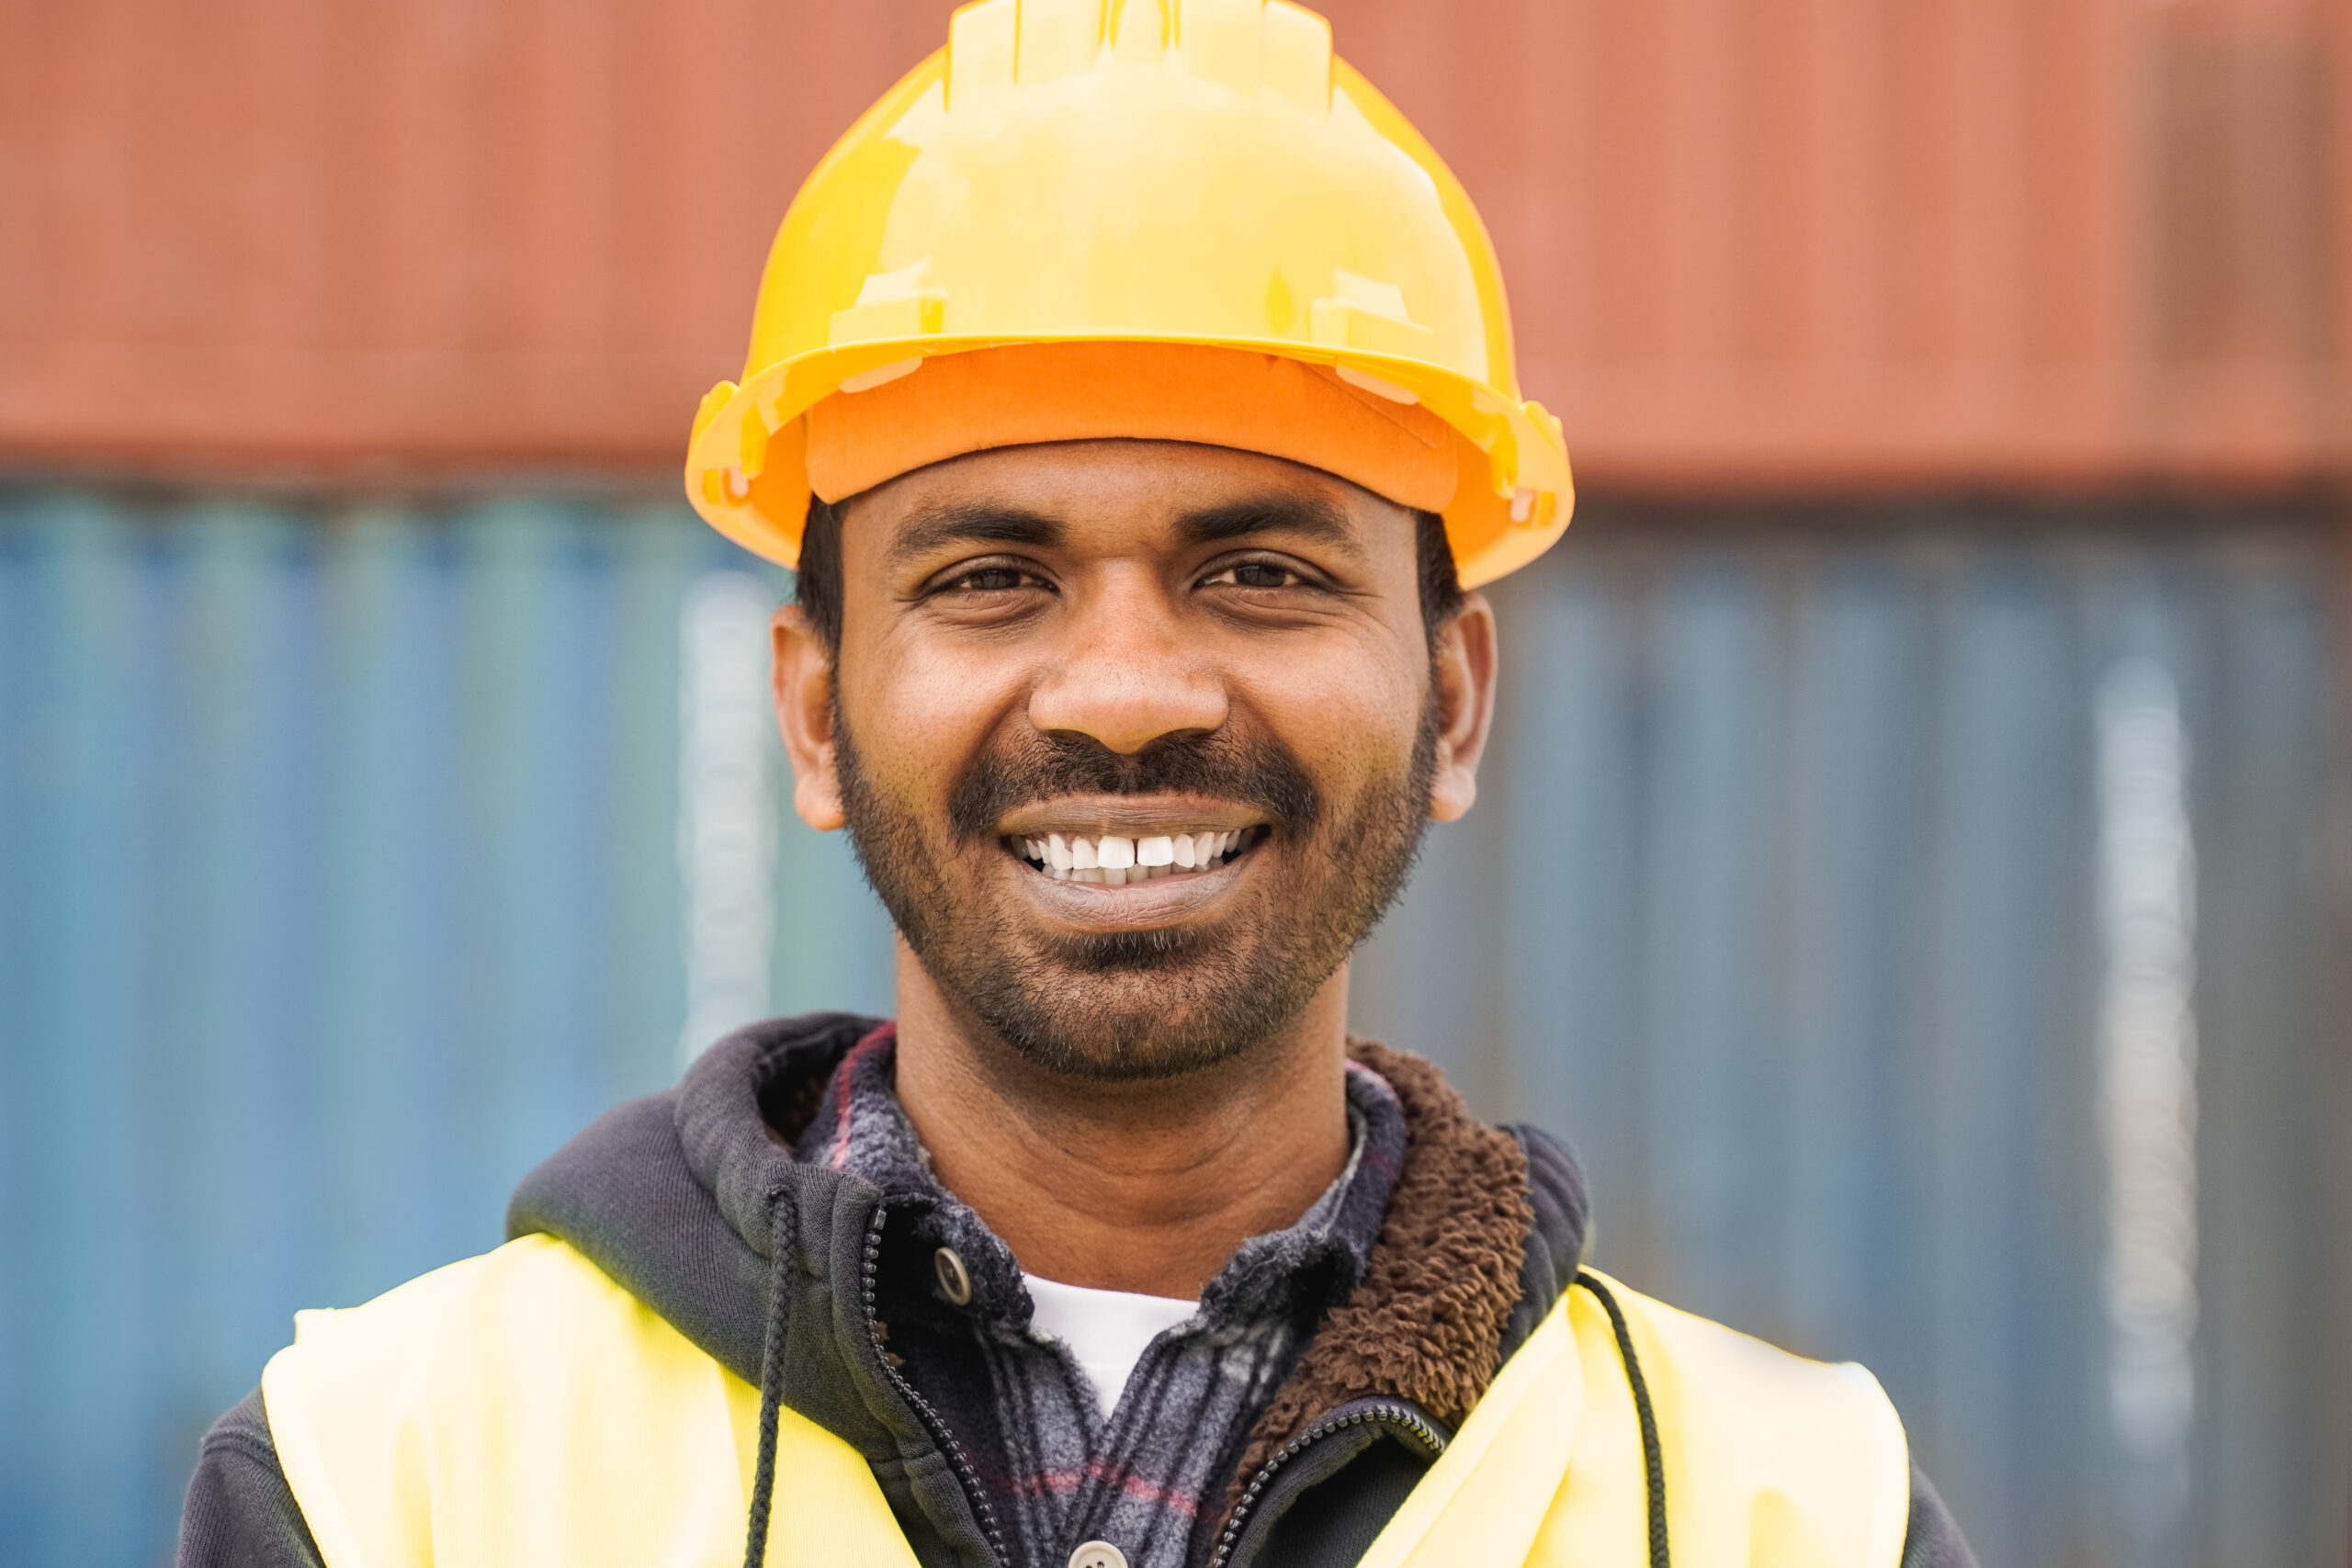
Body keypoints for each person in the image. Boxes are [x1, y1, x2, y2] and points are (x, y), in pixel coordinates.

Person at [179, 4, 1977, 1565]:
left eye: (1259, 568)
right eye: (989, 576)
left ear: (1449, 696)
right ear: (814, 714)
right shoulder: (387, 1491)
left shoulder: (1795, 1513)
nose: (1125, 694)